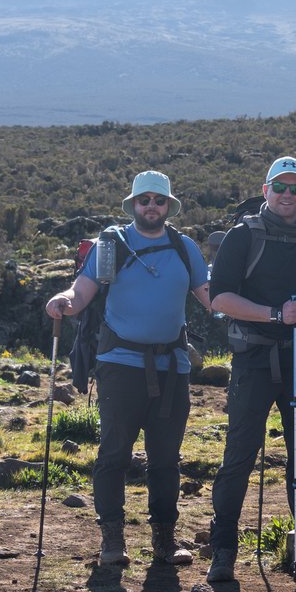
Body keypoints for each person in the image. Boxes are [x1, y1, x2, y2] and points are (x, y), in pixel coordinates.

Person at [45, 171, 209, 569]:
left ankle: (164, 541)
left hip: (173, 367)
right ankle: (112, 540)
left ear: (169, 206)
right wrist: (62, 300)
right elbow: (81, 292)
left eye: (159, 200)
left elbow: (211, 298)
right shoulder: (111, 245)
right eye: (144, 200)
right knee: (114, 453)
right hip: (120, 365)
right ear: (133, 204)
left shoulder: (185, 248)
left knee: (167, 457)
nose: (151, 206)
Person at [205, 157, 296, 582]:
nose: (287, 195)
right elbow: (219, 298)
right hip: (253, 361)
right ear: (266, 189)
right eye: (280, 187)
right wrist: (276, 314)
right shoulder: (242, 236)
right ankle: (224, 551)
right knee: (239, 456)